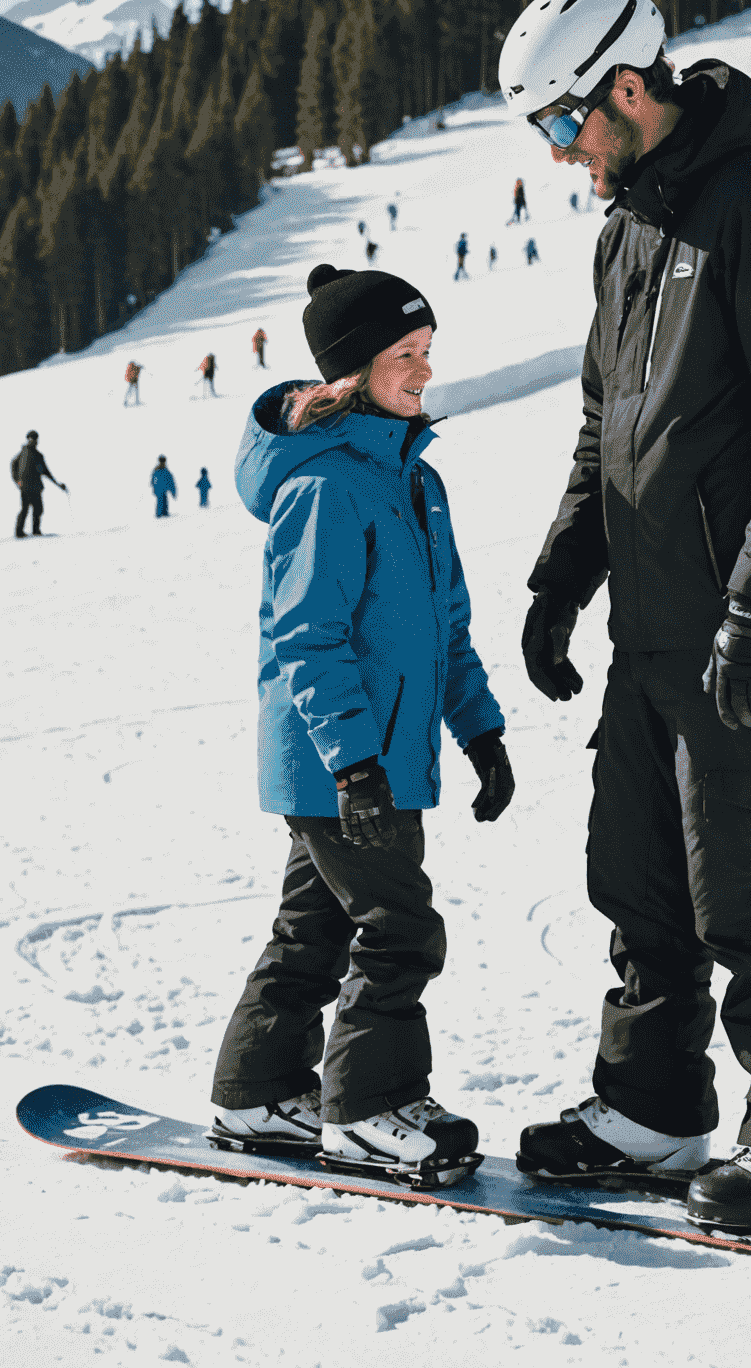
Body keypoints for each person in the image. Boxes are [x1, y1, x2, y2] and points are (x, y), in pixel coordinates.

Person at [498, 0, 751, 1237]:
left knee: (745, 881)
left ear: (627, 87)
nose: (557, 155)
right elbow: (608, 425)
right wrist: (561, 582)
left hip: (740, 619)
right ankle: (652, 1111)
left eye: (562, 124)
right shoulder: (629, 230)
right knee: (640, 876)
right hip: (650, 617)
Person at [209, 262, 514, 1180]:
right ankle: (371, 1108)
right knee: (399, 927)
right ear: (350, 373)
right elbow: (307, 636)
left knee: (314, 929)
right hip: (336, 761)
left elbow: (445, 627)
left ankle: (257, 1094)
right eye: (402, 356)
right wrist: (352, 763)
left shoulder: (416, 482)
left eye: (426, 352)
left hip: (380, 757)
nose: (422, 372)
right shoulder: (325, 487)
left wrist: (482, 732)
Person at [11, 430, 65, 538]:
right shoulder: (23, 453)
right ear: (28, 439)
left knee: (38, 508)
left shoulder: (38, 456)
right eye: (31, 438)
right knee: (25, 509)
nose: (33, 440)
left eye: (35, 438)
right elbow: (13, 465)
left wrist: (58, 484)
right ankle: (19, 532)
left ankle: (36, 530)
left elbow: (46, 471)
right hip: (25, 486)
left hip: (36, 487)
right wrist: (17, 480)